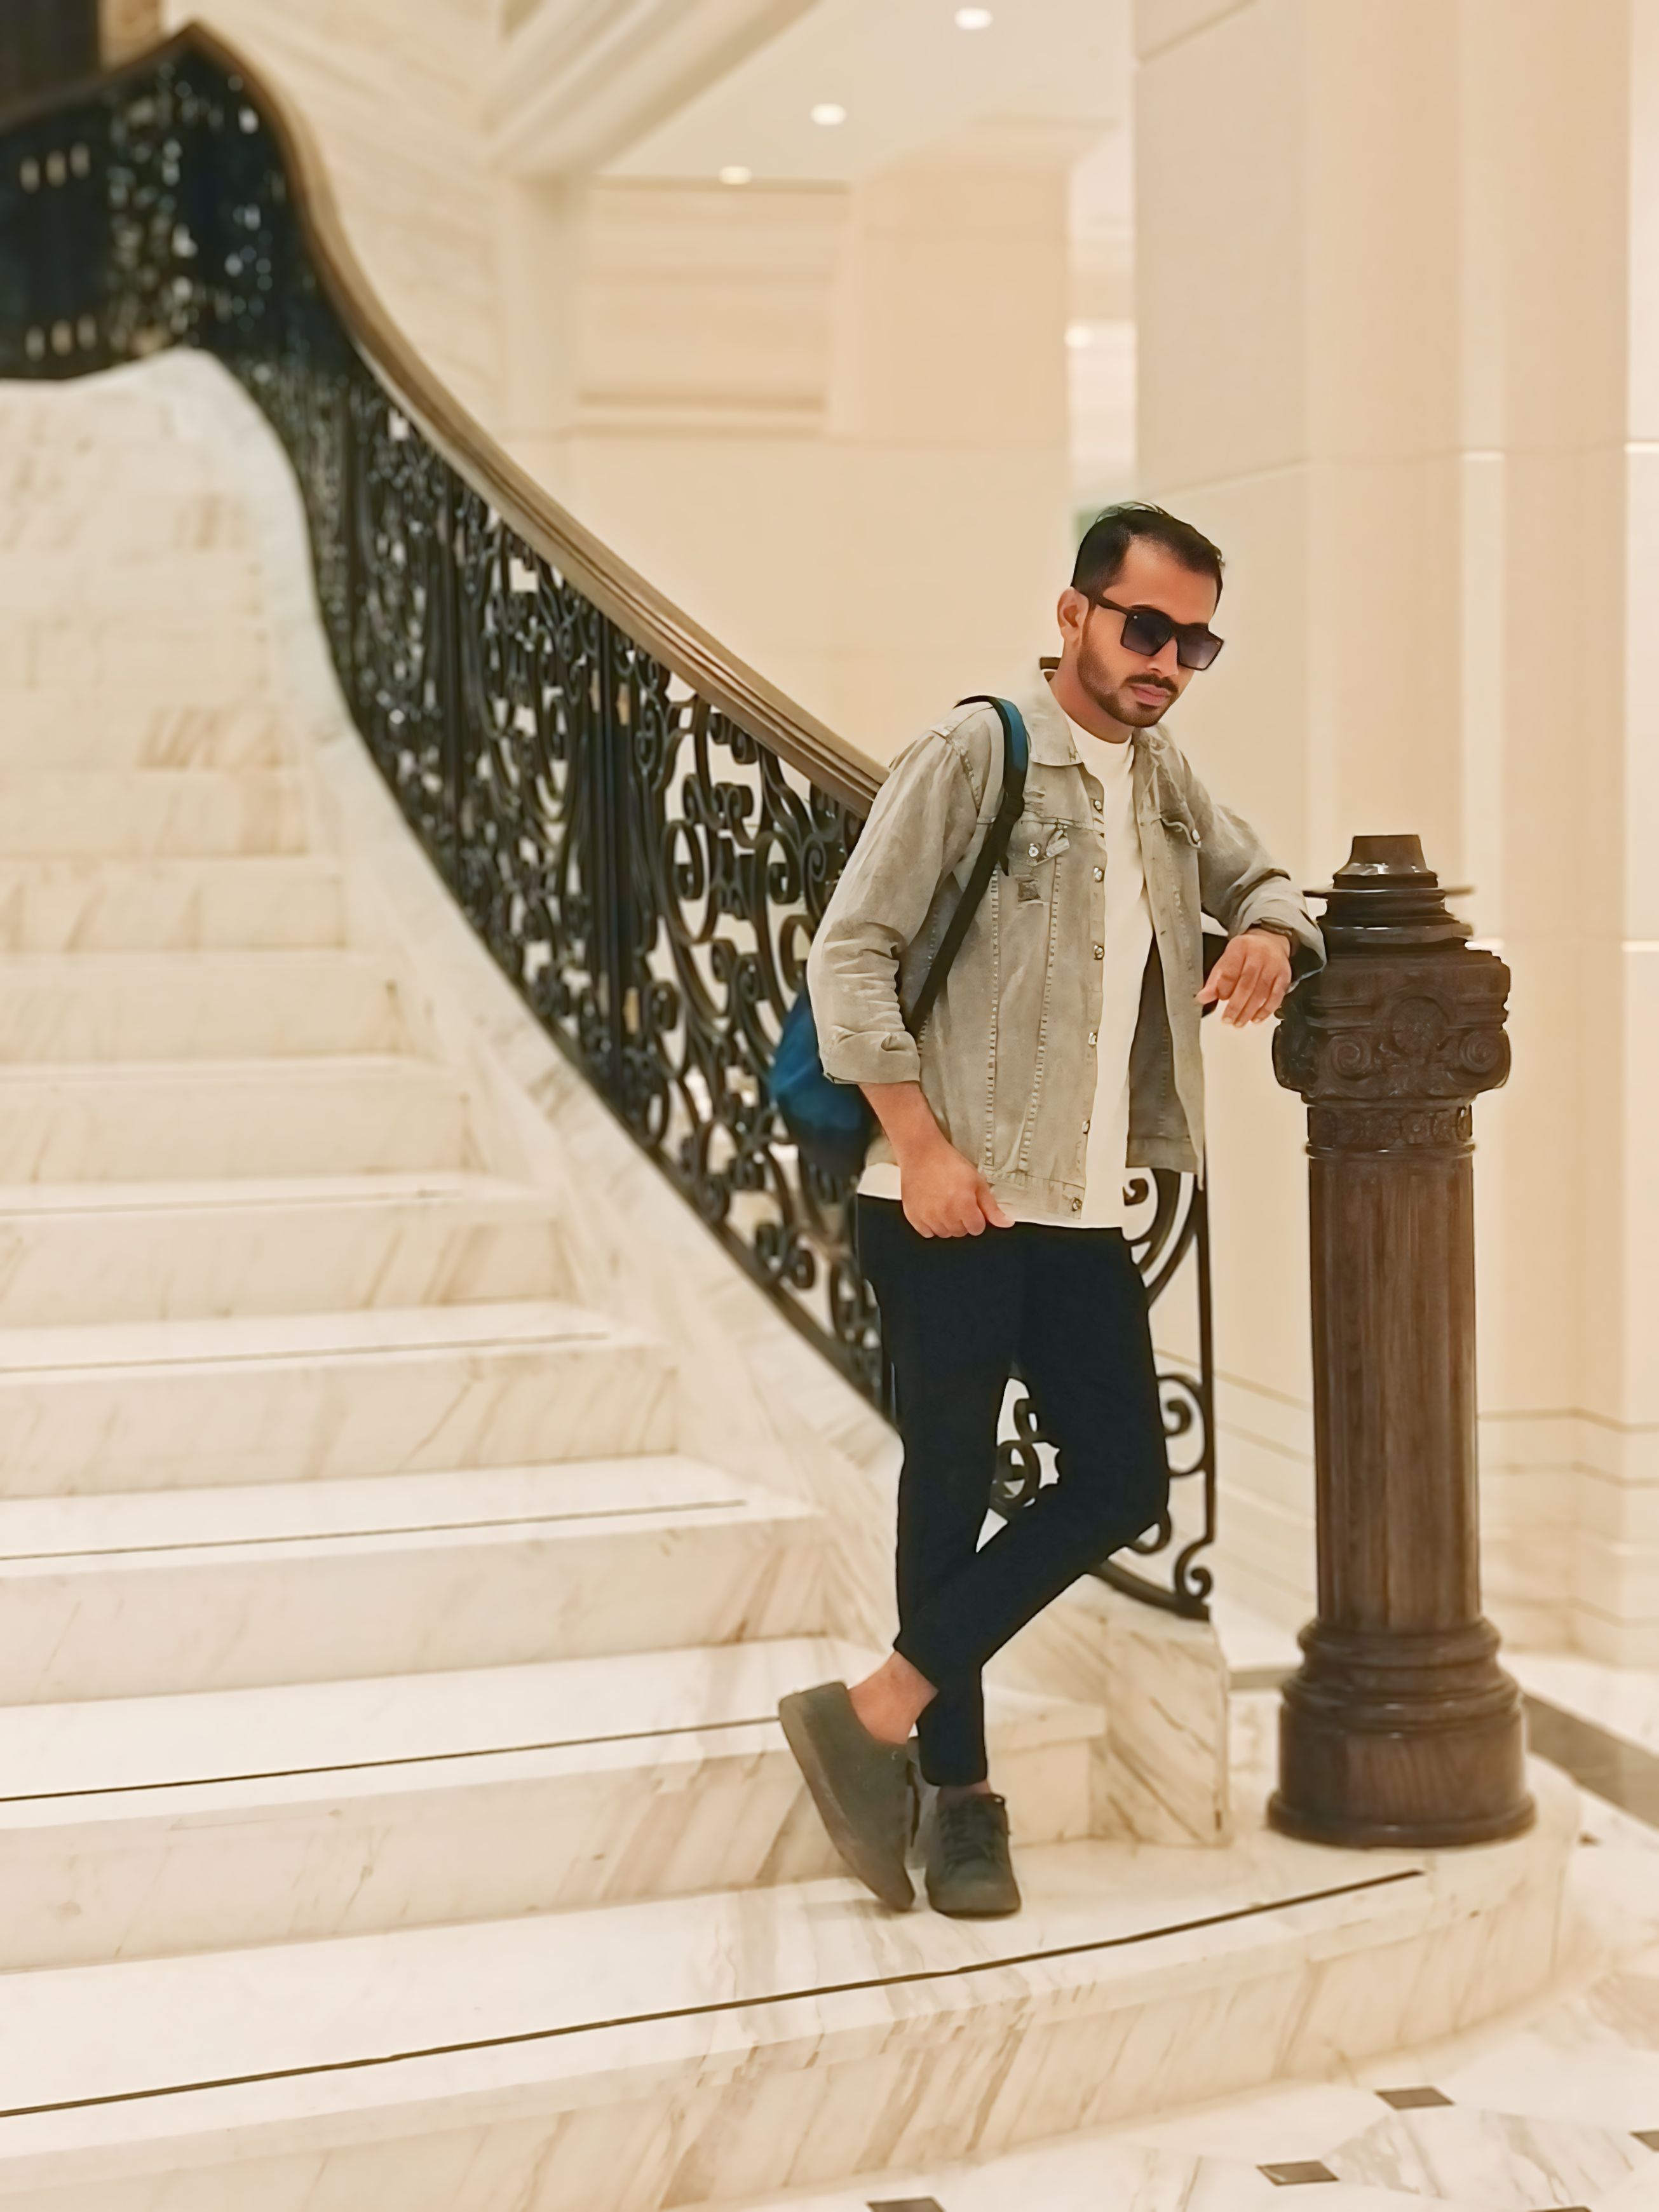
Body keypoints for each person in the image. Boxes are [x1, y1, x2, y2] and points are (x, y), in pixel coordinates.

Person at [778, 502, 1323, 1918]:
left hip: (1079, 1208)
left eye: (1195, 643)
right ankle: (959, 1801)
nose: (1166, 662)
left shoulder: (1162, 778)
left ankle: (875, 1710)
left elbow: (1261, 873)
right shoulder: (978, 751)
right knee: (950, 1484)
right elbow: (852, 953)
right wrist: (920, 1144)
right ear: (1075, 612)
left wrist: (1271, 928)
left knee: (1123, 1480)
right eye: (1144, 628)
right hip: (944, 1194)